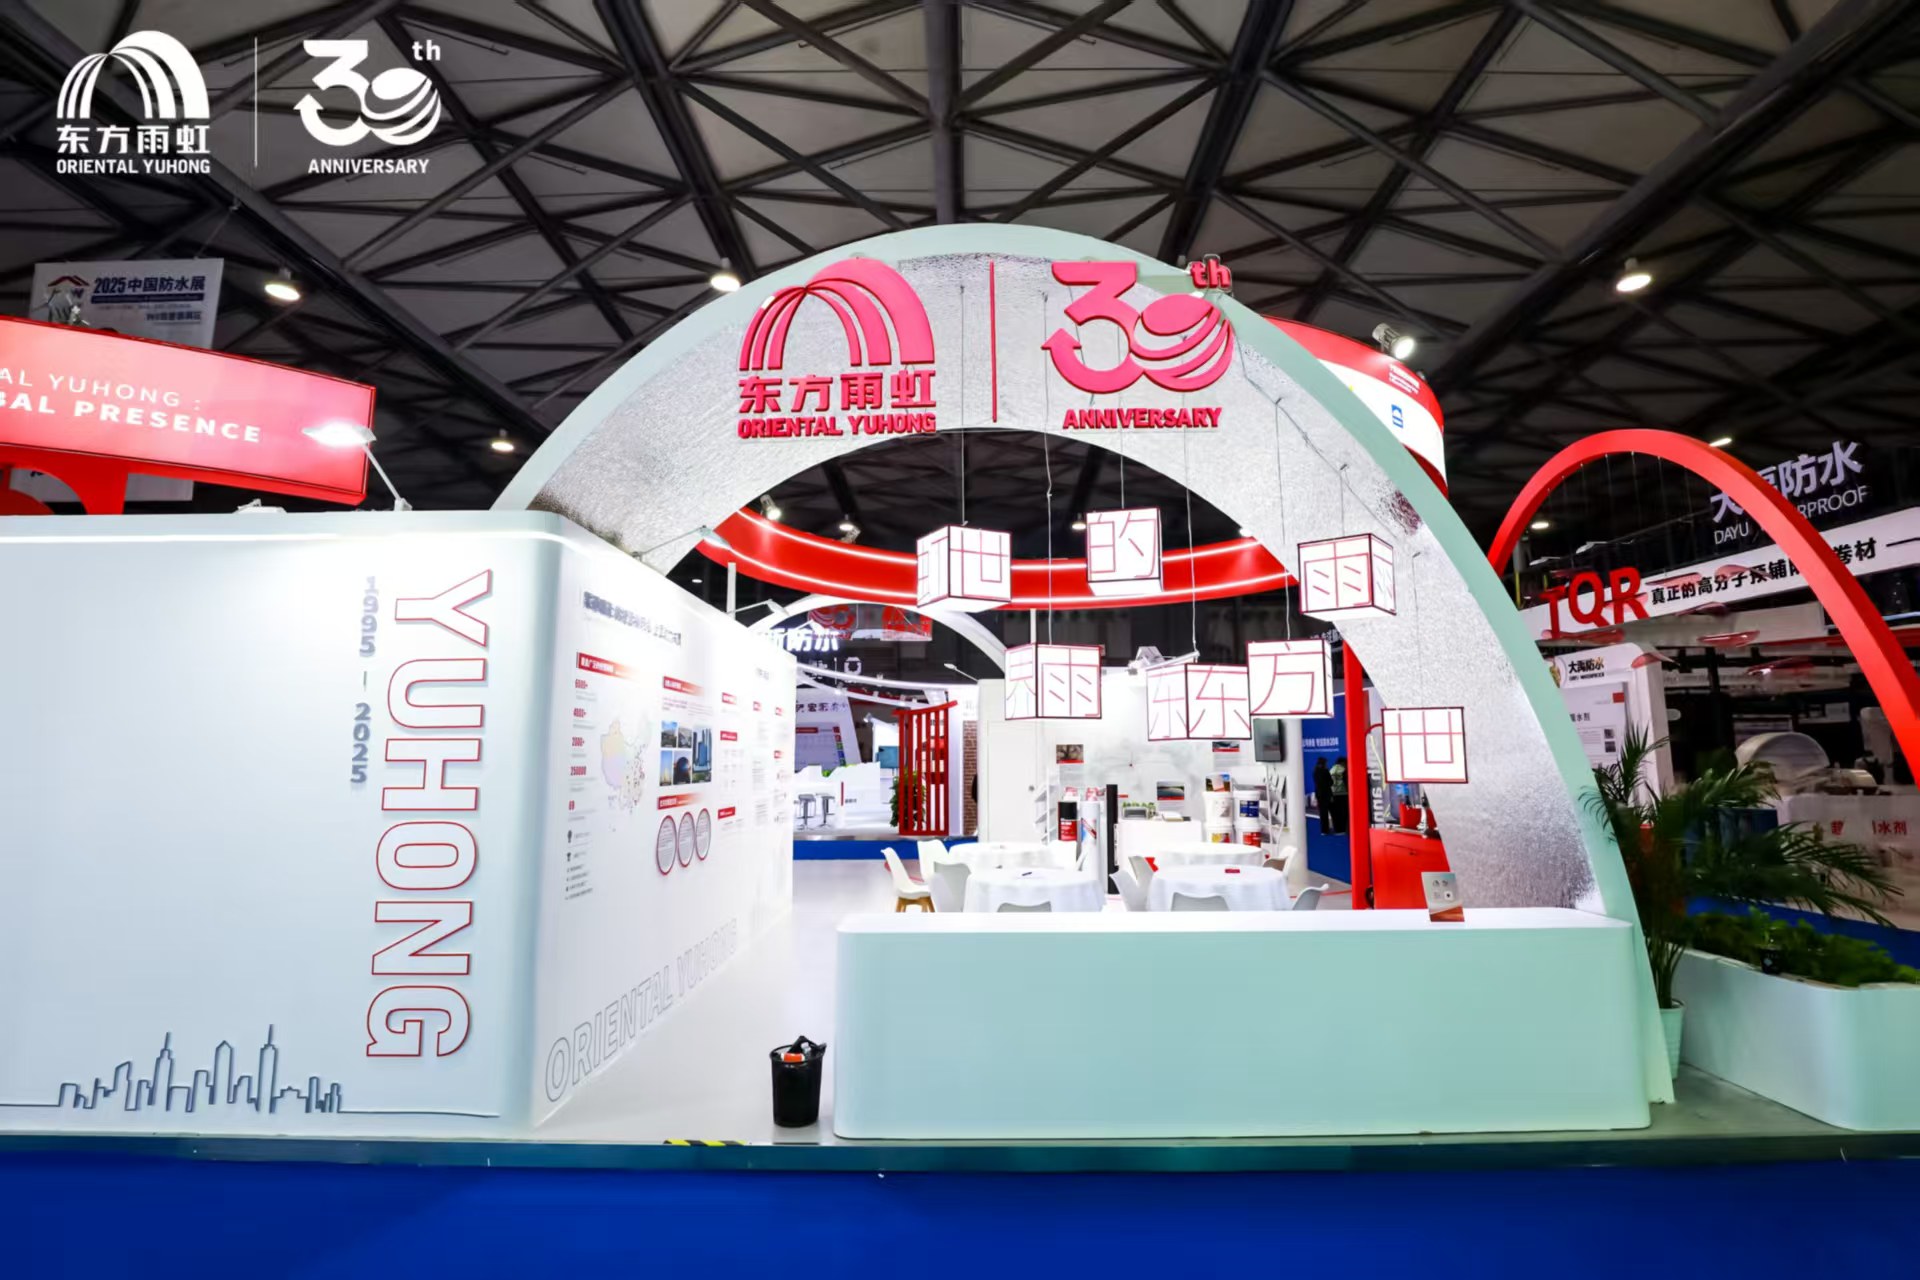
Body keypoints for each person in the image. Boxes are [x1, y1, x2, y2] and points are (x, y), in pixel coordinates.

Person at [1313, 758, 1333, 835]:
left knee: (1322, 812)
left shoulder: (1315, 771)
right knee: (1328, 811)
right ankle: (1327, 828)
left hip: (1319, 794)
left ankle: (1323, 830)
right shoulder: (1325, 771)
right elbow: (1331, 782)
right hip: (1326, 794)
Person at [1329, 757, 1349, 834]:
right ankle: (1343, 829)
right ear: (1343, 763)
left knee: (1335, 813)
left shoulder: (1331, 770)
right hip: (1343, 794)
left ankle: (1337, 829)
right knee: (1344, 813)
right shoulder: (1344, 770)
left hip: (1333, 794)